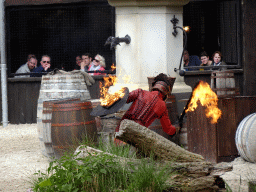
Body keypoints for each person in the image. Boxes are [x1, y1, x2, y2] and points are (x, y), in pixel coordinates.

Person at [115, 73, 179, 141]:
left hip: (120, 130)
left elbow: (122, 99)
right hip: (136, 135)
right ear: (165, 93)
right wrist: (176, 129)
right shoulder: (162, 106)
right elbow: (168, 129)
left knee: (116, 150)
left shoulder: (140, 92)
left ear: (154, 86)